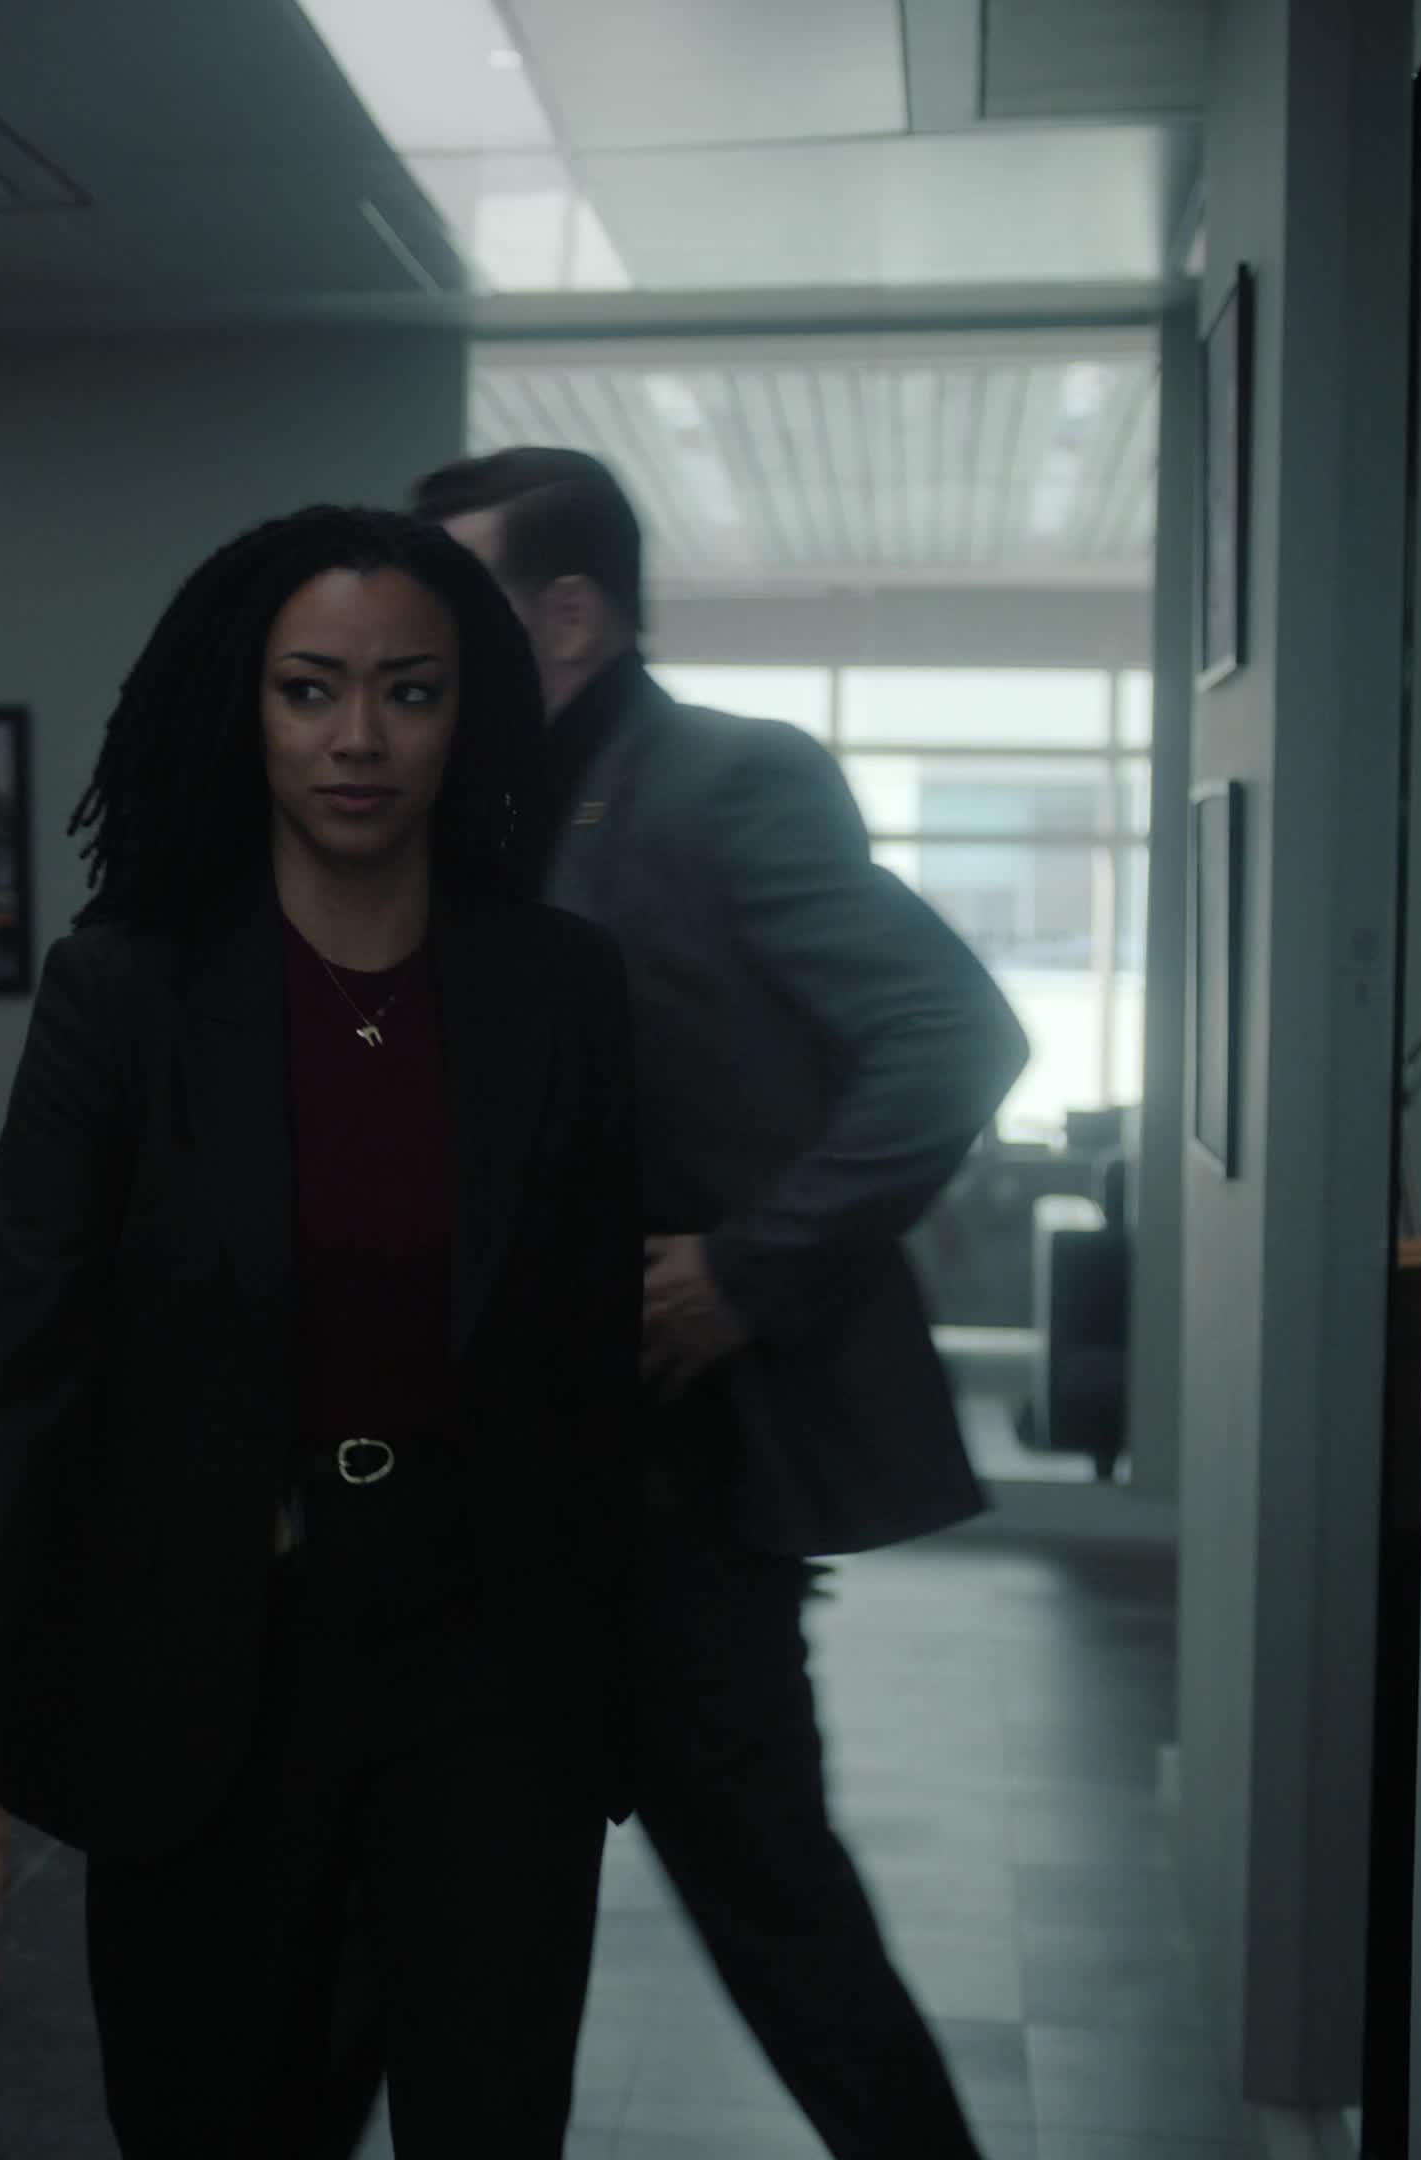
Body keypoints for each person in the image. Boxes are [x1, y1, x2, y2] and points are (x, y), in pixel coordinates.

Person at [0, 506, 645, 2156]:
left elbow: (596, 1378)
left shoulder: (564, 989)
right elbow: (10, 1379)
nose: (359, 737)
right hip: (213, 1666)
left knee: (494, 2118)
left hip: (491, 1667)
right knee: (211, 2116)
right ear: (244, 709)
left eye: (409, 692)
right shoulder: (127, 991)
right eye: (311, 690)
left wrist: (625, 1682)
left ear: (470, 717)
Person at [419, 446, 1029, 2157]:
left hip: (672, 1477)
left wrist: (748, 1268)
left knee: (769, 1896)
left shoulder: (721, 781)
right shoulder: (472, 813)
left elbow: (955, 1035)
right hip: (482, 1458)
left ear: (569, 615)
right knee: (441, 1909)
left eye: (456, 596)